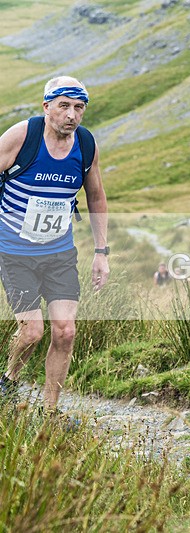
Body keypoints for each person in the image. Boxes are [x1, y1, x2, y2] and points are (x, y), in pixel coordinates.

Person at [0, 76, 109, 412]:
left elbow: (96, 195)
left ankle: (51, 412)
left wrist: (101, 253)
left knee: (65, 332)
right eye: (64, 106)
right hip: (15, 252)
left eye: (79, 107)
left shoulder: (86, 144)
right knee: (32, 332)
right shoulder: (23, 136)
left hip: (59, 253)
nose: (71, 115)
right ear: (46, 106)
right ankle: (9, 380)